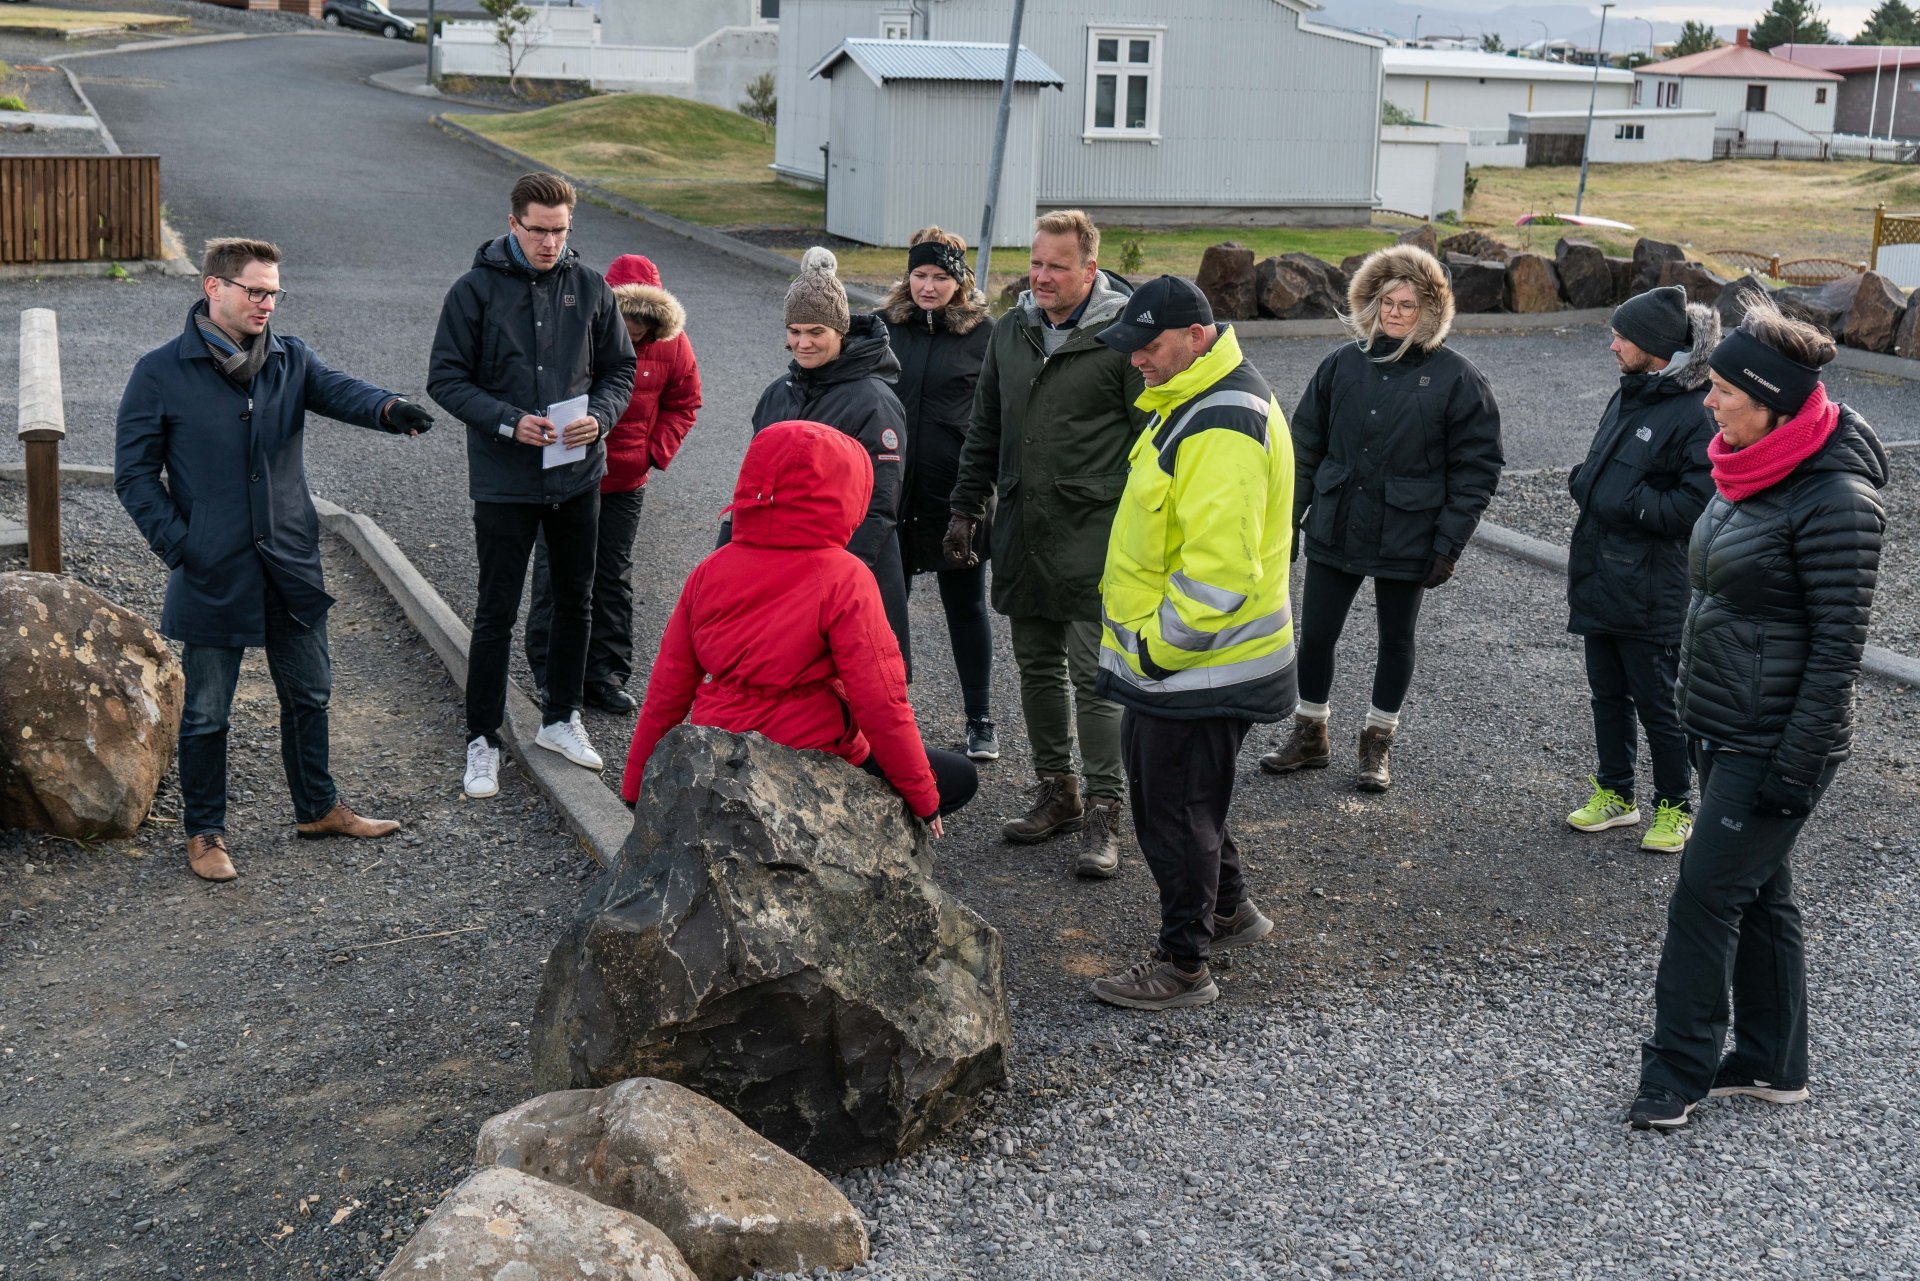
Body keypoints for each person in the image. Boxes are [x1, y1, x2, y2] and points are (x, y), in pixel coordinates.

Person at [1627, 300, 1886, 1131]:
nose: (1708, 400)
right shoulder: (1748, 466)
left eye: (1725, 389)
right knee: (1760, 891)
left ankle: (1677, 1074)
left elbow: (1838, 653)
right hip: (1721, 722)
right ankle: (1773, 1064)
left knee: (1704, 896)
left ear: (1770, 398)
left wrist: (1793, 765)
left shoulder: (1837, 499)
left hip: (1775, 740)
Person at [115, 237, 434, 881]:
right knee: (207, 712)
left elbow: (341, 391)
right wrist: (183, 547)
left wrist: (388, 408)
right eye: (255, 291)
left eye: (274, 292)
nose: (267, 303)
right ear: (214, 289)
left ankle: (318, 808)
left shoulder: (290, 359)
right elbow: (134, 476)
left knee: (310, 694)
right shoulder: (160, 371)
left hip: (289, 562)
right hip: (212, 568)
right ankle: (205, 834)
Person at [1086, 277, 1296, 1010]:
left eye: (1148, 345)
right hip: (1196, 663)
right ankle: (1229, 910)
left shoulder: (1219, 422)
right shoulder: (1195, 402)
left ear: (1197, 337)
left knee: (1173, 811)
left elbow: (1217, 572)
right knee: (1188, 800)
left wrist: (1151, 653)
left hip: (1197, 666)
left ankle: (1184, 964)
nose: (1136, 359)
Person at [622, 419, 976, 826]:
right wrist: (923, 799)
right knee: (959, 777)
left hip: (717, 747)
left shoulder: (710, 569)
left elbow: (668, 687)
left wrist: (636, 788)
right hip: (809, 754)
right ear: (847, 492)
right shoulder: (844, 576)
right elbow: (881, 702)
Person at [946, 210, 1148, 877]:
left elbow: (1151, 442)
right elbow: (984, 426)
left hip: (1097, 532)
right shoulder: (1012, 330)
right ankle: (1056, 791)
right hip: (1024, 528)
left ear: (1090, 269)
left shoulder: (1122, 340)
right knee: (1035, 665)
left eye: (1057, 266)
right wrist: (966, 506)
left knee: (1095, 675)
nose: (1042, 277)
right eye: (1035, 264)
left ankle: (1104, 810)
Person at [1260, 244, 1502, 792]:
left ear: (1431, 312)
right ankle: (1310, 732)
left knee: (1396, 639)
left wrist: (1449, 543)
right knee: (1316, 635)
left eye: (1408, 304)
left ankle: (1377, 741)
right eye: (1387, 301)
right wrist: (1288, 521)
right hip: (1337, 521)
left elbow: (1478, 467)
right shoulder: (1343, 364)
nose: (1395, 312)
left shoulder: (1457, 378)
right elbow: (1305, 445)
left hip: (1407, 532)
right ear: (1372, 303)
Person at [428, 172, 636, 800]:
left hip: (577, 476)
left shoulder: (592, 288)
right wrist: (506, 420)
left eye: (561, 230)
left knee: (576, 600)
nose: (551, 242)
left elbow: (621, 368)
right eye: (540, 230)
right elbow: (445, 378)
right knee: (495, 610)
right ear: (513, 223)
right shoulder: (472, 291)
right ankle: (482, 739)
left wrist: (601, 416)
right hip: (504, 479)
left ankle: (559, 718)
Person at [1565, 285, 1720, 854]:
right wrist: (1587, 481)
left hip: (1652, 587)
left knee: (1659, 702)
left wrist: (1624, 503)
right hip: (1601, 576)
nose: (1612, 346)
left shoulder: (1692, 412)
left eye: (1622, 337)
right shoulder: (1631, 392)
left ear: (1653, 347)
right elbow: (1608, 468)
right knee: (1606, 693)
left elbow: (1698, 502)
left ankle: (1676, 807)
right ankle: (1617, 793)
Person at [525, 252, 702, 715]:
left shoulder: (674, 346)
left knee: (611, 576)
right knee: (556, 573)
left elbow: (685, 402)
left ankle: (604, 674)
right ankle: (550, 672)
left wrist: (653, 451)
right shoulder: (573, 335)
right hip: (568, 478)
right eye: (627, 314)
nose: (635, 326)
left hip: (626, 481)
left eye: (645, 317)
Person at [743, 248, 911, 666]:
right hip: (781, 571)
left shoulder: (873, 400)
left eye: (816, 331)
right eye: (794, 330)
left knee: (859, 690)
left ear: (840, 330)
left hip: (849, 576)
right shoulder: (777, 393)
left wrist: (829, 582)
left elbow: (880, 506)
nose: (803, 342)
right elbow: (752, 487)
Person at [878, 226, 998, 762]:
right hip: (890, 494)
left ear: (960, 281)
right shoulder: (881, 329)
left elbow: (996, 417)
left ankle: (981, 720)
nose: (928, 286)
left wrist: (977, 497)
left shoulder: (985, 336)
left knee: (965, 606)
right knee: (882, 609)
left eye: (941, 276)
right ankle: (887, 714)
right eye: (920, 275)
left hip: (957, 496)